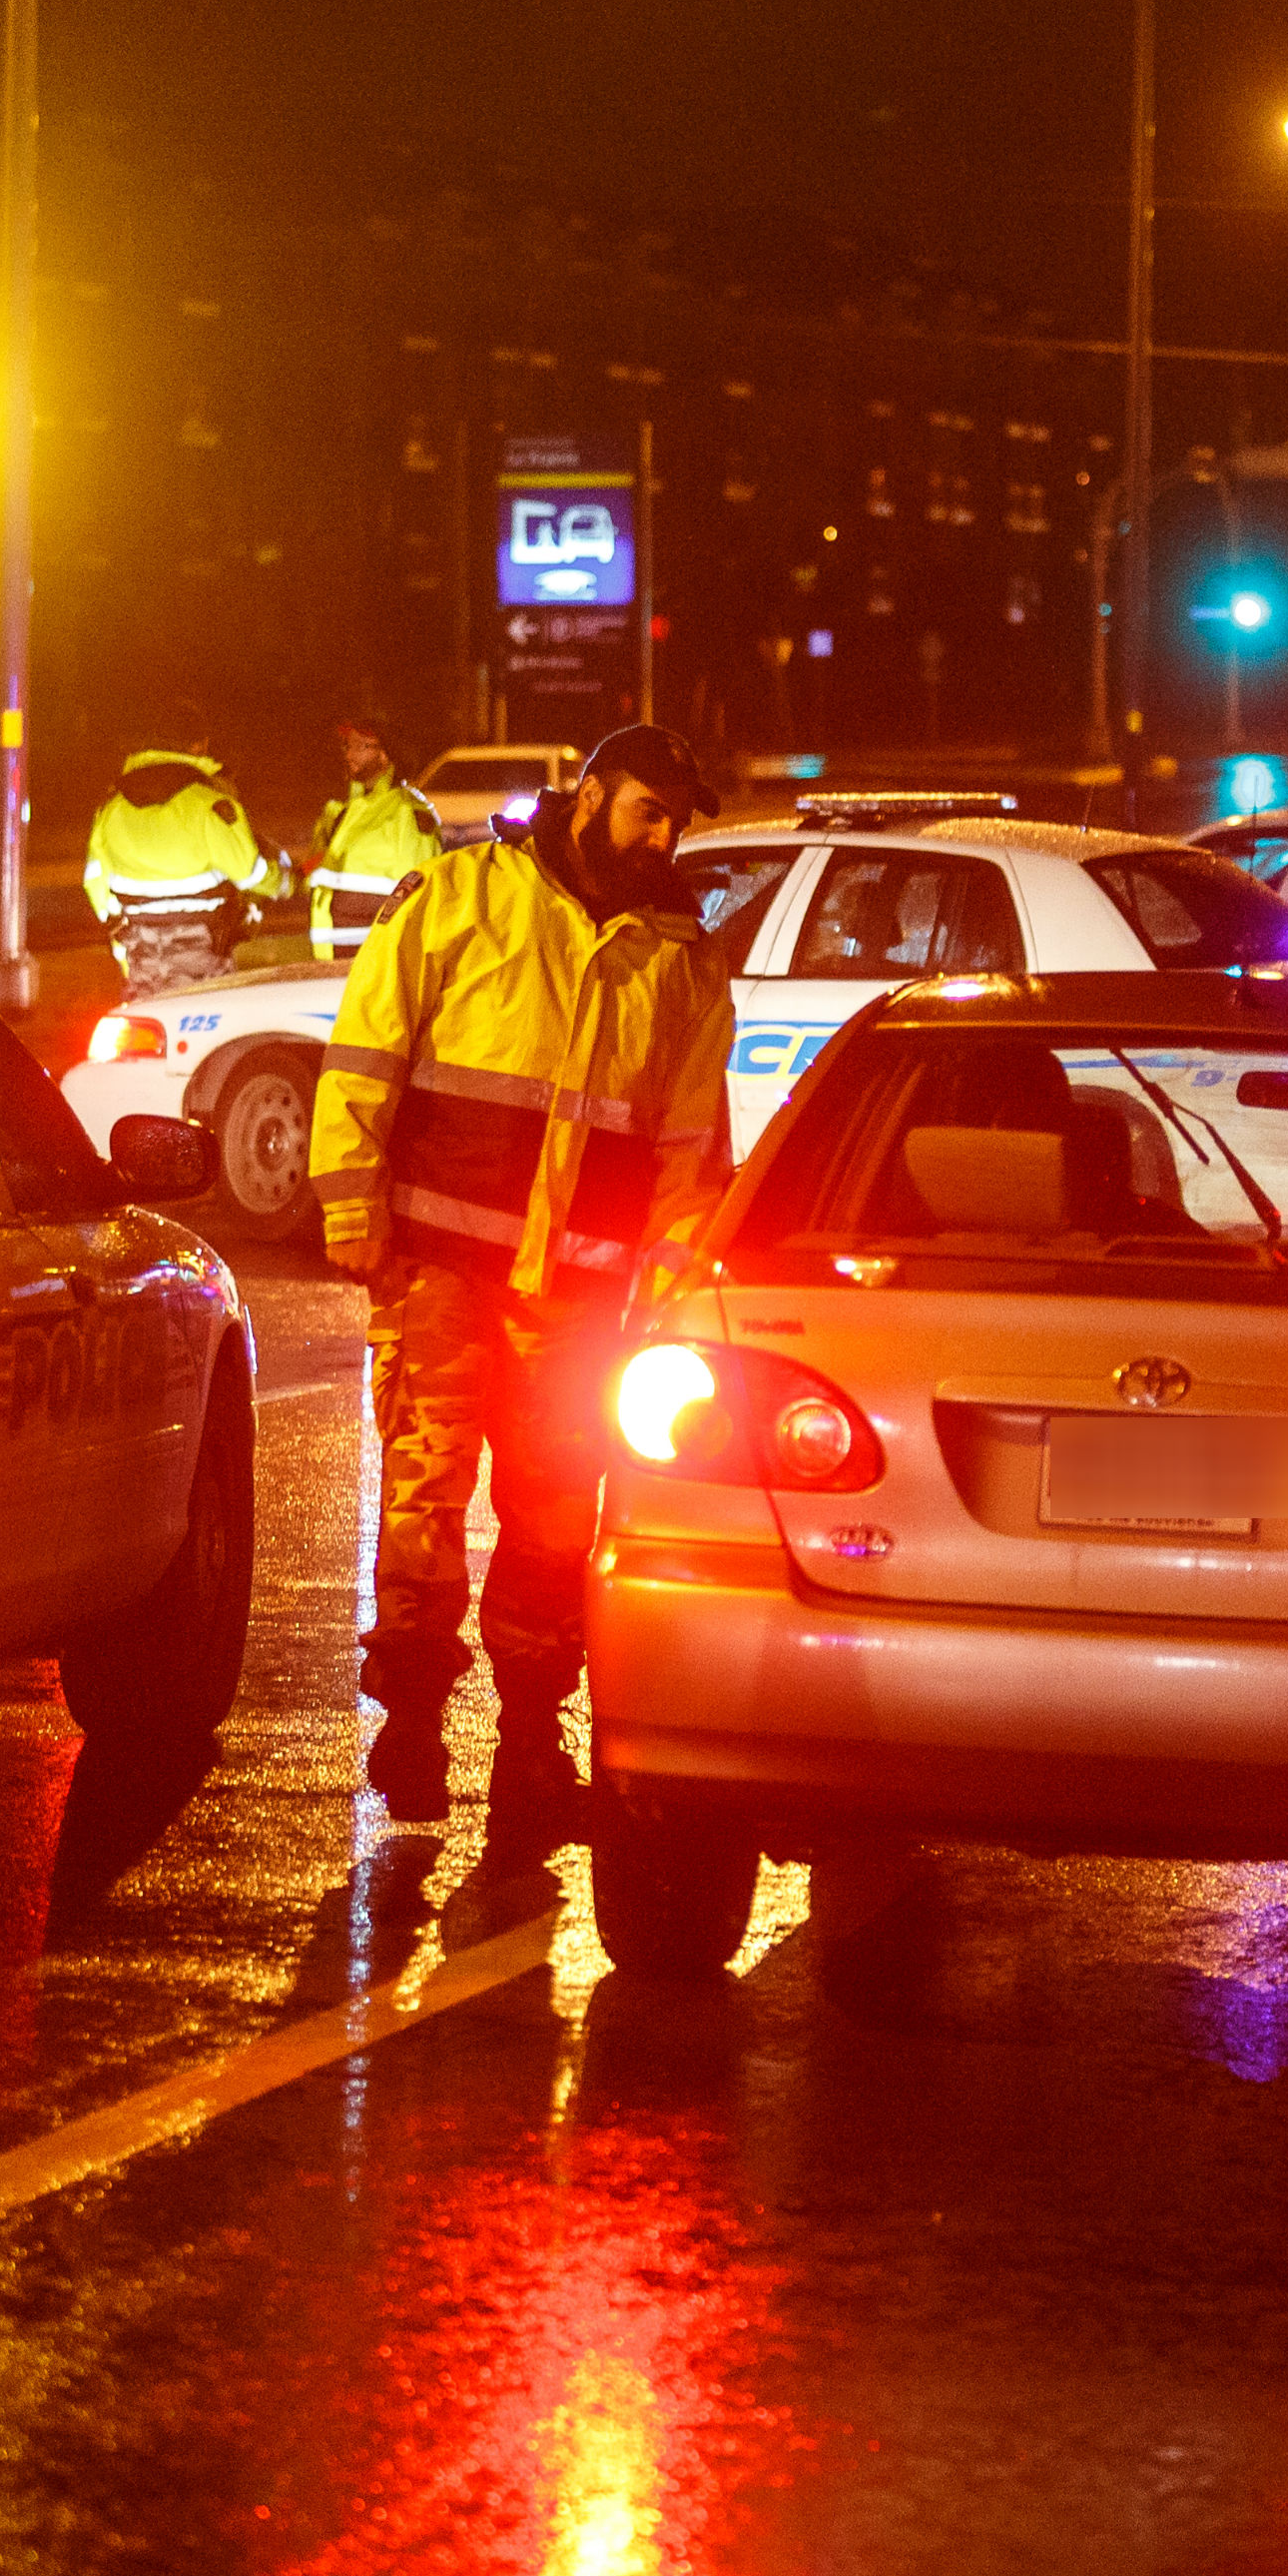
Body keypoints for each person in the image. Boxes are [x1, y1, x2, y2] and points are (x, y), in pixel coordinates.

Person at [307, 723, 736, 1828]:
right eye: (649, 808)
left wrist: (674, 1278)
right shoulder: (460, 896)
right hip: (443, 1273)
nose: (666, 833)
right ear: (590, 796)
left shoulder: (679, 958)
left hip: (582, 1303)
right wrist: (350, 1204)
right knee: (422, 1499)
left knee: (553, 1523)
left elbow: (691, 1149)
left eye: (678, 818)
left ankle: (531, 1744)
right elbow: (365, 1053)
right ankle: (409, 1731)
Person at [82, 714, 286, 997]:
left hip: (142, 955)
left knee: (147, 1021)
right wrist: (286, 882)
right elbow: (250, 875)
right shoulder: (212, 805)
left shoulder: (111, 809)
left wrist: (119, 924)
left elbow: (94, 880)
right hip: (204, 954)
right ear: (199, 746)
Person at [293, 715, 443, 962]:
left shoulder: (406, 811)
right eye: (347, 745)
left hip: (373, 953)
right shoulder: (346, 810)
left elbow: (419, 885)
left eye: (359, 746)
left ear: (384, 755)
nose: (348, 754)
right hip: (333, 954)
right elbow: (322, 867)